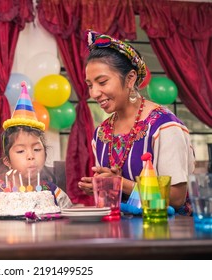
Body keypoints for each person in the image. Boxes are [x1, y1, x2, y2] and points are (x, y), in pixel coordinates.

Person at [78, 30, 195, 215]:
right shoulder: (101, 133)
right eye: (90, 85)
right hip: (118, 234)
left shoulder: (165, 127)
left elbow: (176, 198)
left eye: (102, 82)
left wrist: (120, 184)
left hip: (166, 232)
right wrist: (101, 186)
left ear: (130, 78)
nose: (94, 93)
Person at [0, 83, 72, 215]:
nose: (31, 156)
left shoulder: (54, 193)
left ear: (45, 154)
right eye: (20, 151)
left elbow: (68, 224)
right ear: (7, 161)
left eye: (37, 149)